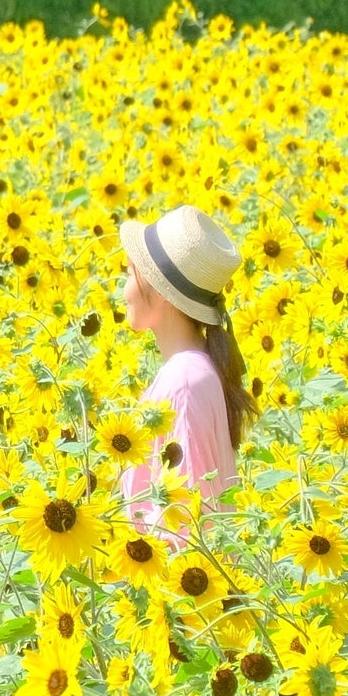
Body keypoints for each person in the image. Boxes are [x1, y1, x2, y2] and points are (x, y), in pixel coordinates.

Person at [117, 204, 251, 528]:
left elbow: (188, 522)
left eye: (129, 272)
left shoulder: (185, 381)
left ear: (159, 290)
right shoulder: (194, 371)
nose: (122, 288)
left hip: (177, 576)